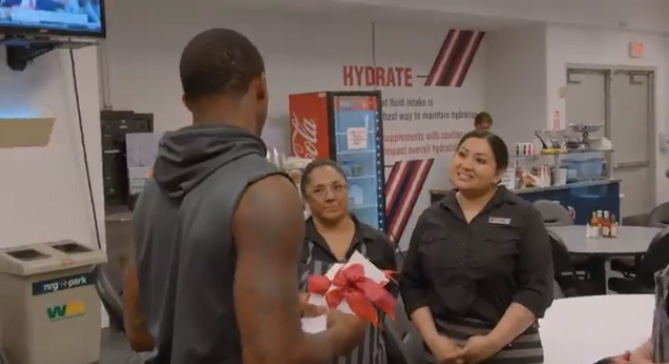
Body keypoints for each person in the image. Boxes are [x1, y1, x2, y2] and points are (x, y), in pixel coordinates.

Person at [128, 28, 367, 364]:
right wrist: (346, 333)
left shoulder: (151, 191)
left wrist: (274, 310)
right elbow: (273, 358)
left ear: (187, 101)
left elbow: (139, 332)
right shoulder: (266, 192)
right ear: (261, 87)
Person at [400, 130, 554, 364]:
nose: (466, 165)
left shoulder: (524, 216)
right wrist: (433, 341)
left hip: (510, 345)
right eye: (462, 155)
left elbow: (537, 289)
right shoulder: (430, 218)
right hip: (444, 350)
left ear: (499, 173)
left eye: (480, 160)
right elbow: (412, 285)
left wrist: (491, 343)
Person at [298, 159, 398, 364]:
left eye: (337, 187)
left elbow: (388, 304)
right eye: (319, 190)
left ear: (347, 189)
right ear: (305, 198)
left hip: (370, 357)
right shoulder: (293, 244)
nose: (331, 197)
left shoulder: (377, 243)